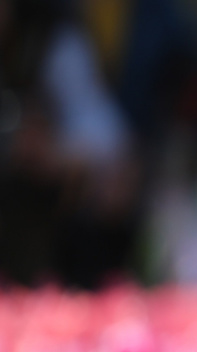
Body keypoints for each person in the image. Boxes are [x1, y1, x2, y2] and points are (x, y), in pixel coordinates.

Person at [0, 0, 137, 284]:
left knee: (112, 182)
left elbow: (108, 139)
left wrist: (52, 152)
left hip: (34, 210)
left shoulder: (51, 41)